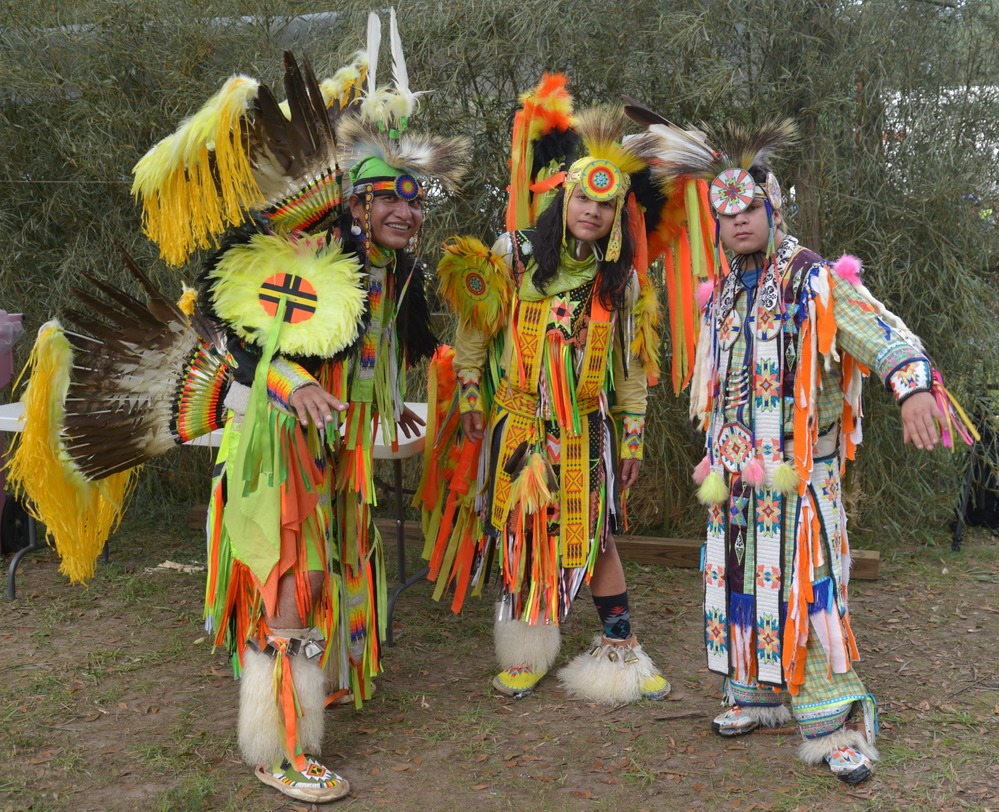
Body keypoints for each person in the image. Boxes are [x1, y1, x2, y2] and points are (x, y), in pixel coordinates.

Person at [9, 11, 467, 803]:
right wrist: (294, 385)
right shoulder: (297, 258)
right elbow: (242, 339)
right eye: (391, 201)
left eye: (415, 203)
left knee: (321, 568)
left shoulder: (385, 274)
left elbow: (386, 346)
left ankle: (308, 694)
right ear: (352, 208)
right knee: (285, 574)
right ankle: (276, 745)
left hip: (327, 446)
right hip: (271, 441)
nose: (408, 214)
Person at [637, 116, 976, 783]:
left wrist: (911, 387)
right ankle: (759, 693)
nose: (737, 221)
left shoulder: (812, 280)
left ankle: (834, 722)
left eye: (749, 209)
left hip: (799, 476)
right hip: (734, 478)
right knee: (738, 584)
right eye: (725, 212)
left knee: (810, 590)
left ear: (774, 208)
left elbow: (879, 328)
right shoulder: (724, 292)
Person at [418, 79, 675, 705]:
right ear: (565, 197)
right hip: (519, 426)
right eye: (584, 198)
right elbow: (475, 330)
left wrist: (633, 434)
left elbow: (635, 368)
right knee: (521, 533)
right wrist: (473, 397)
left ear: (617, 217)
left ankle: (620, 650)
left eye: (605, 206)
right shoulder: (517, 253)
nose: (592, 211)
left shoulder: (622, 283)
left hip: (586, 429)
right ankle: (528, 653)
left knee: (597, 535)